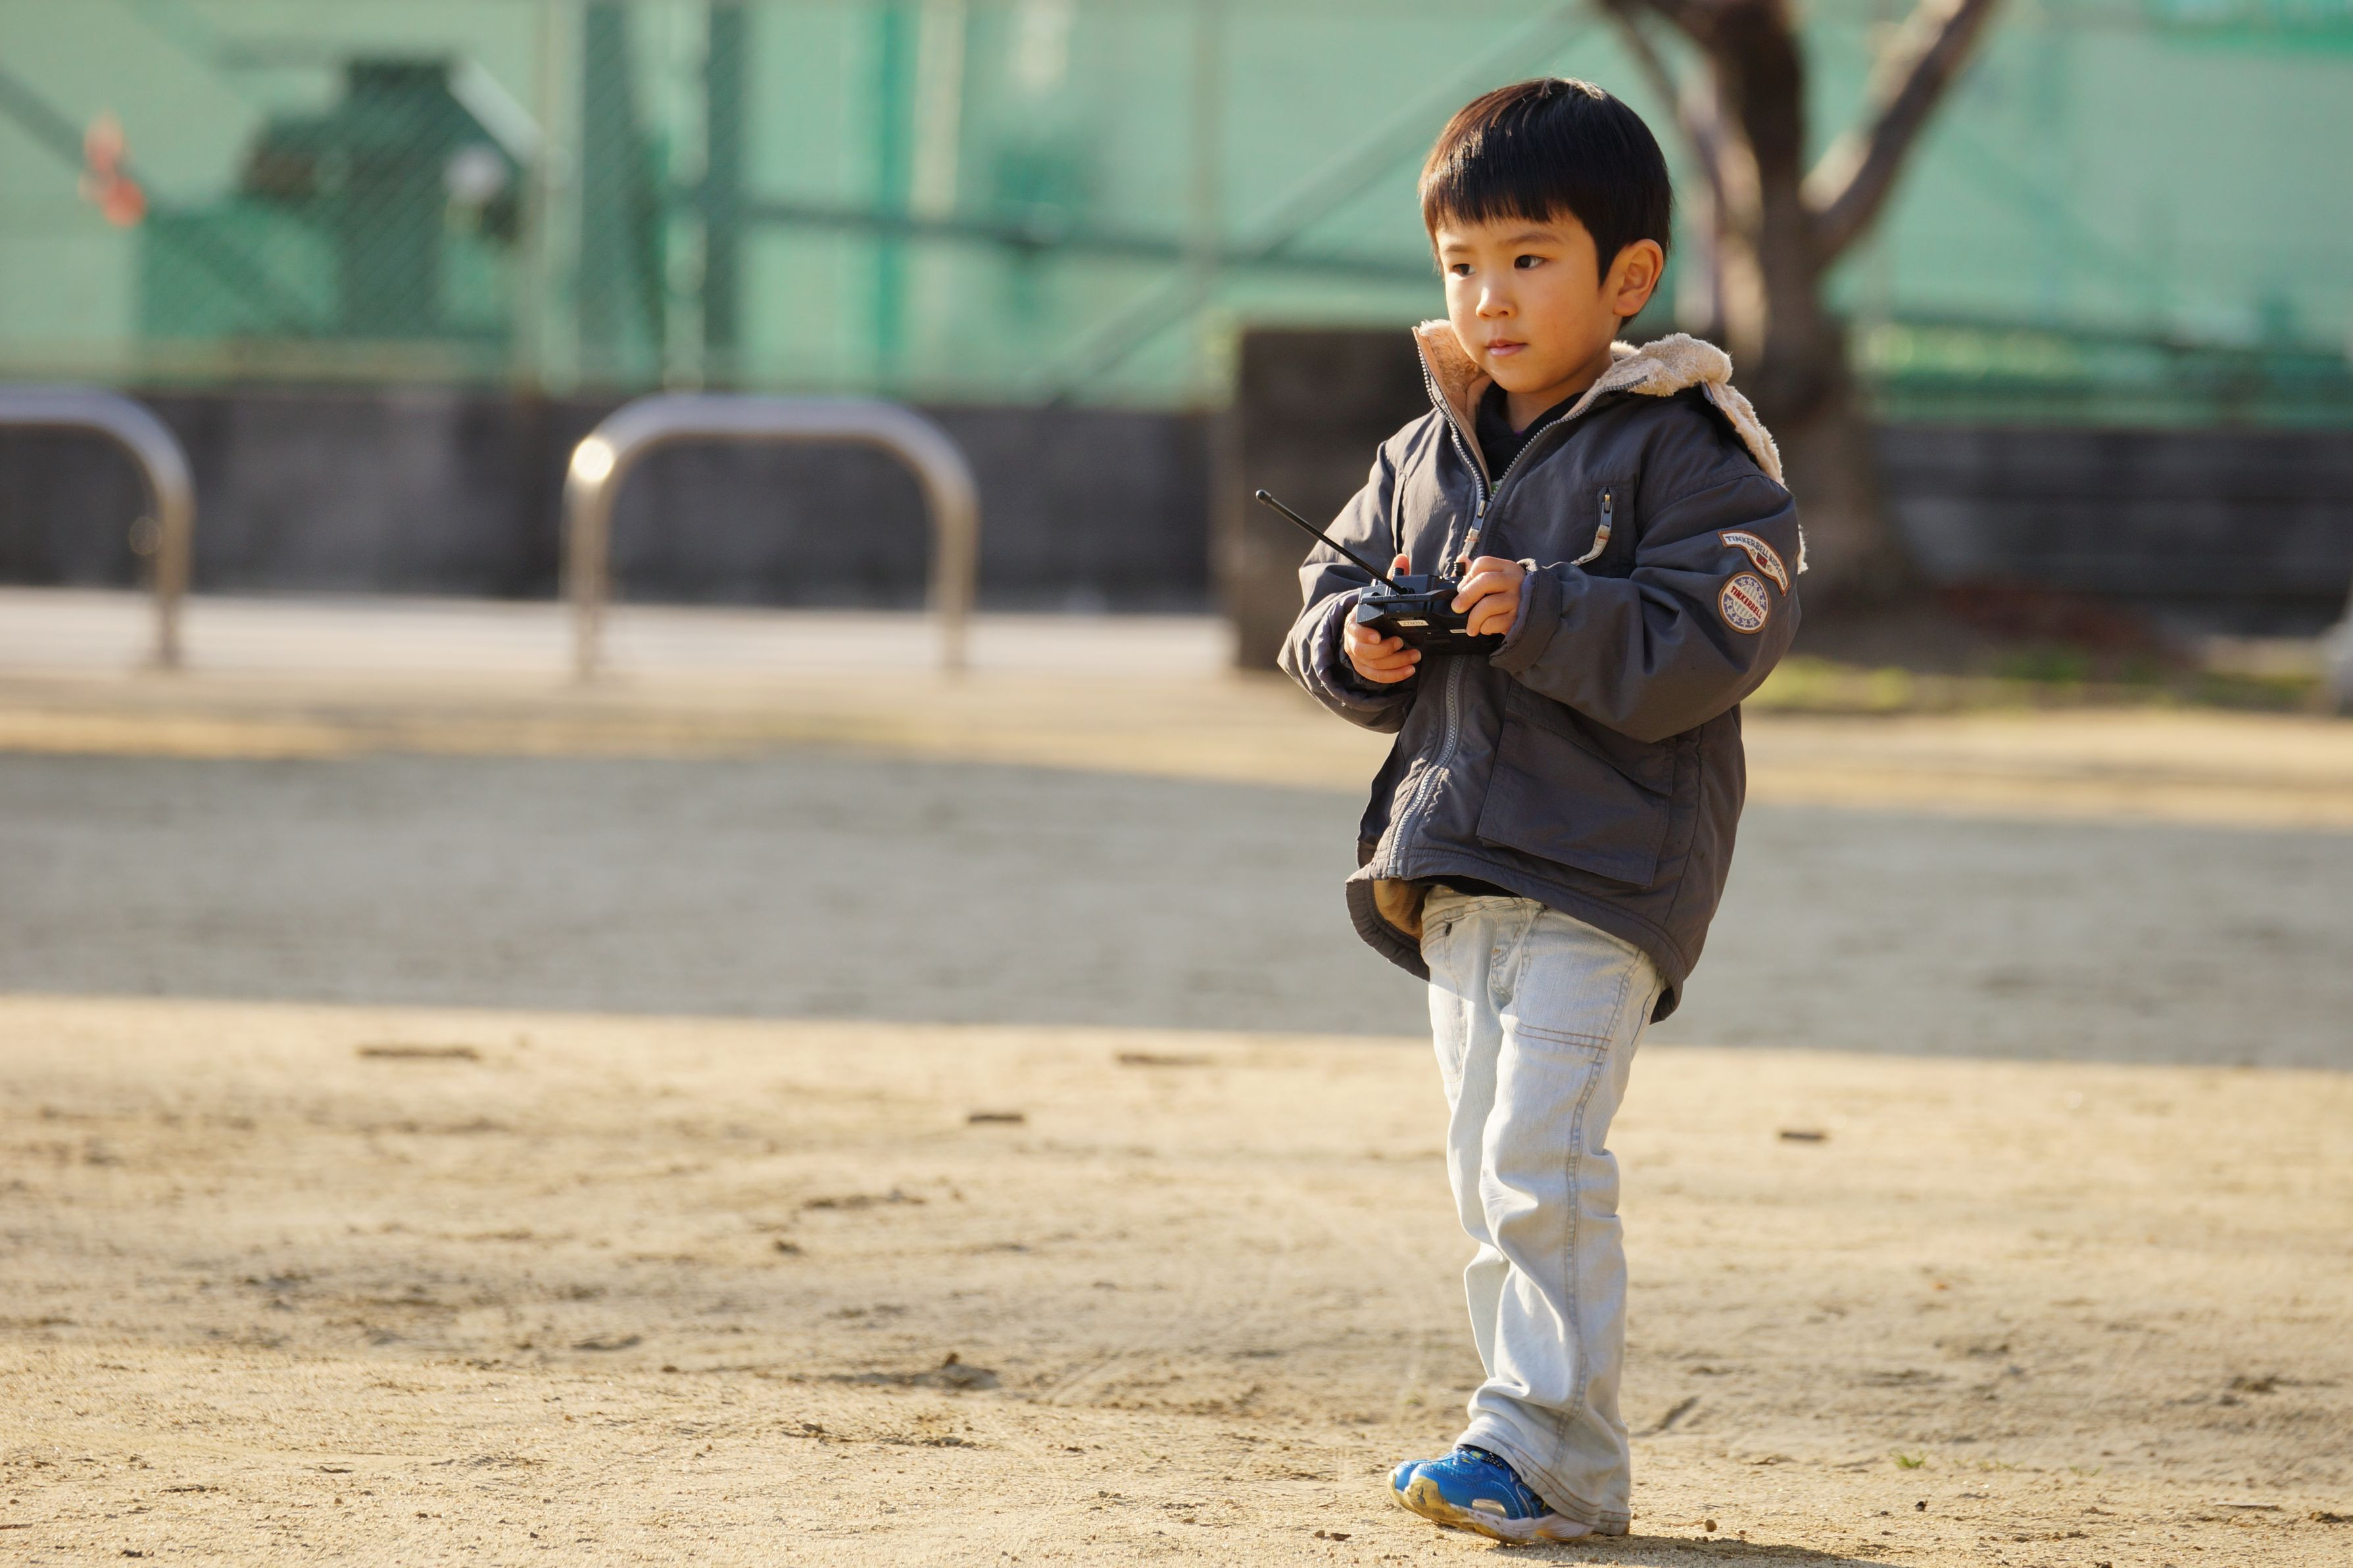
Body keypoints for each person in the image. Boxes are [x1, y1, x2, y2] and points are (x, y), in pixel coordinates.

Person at [1276, 76, 1804, 1544]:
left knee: (1538, 1156)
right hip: (1456, 863)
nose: (1488, 298)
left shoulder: (1687, 446)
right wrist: (1355, 642)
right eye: (1460, 263)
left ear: (1627, 278)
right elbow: (1318, 603)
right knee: (1484, 1163)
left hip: (1605, 874)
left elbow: (1718, 637)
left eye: (1528, 258)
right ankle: (1543, 1444)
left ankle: (1540, 1445)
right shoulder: (1422, 449)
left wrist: (1550, 606)